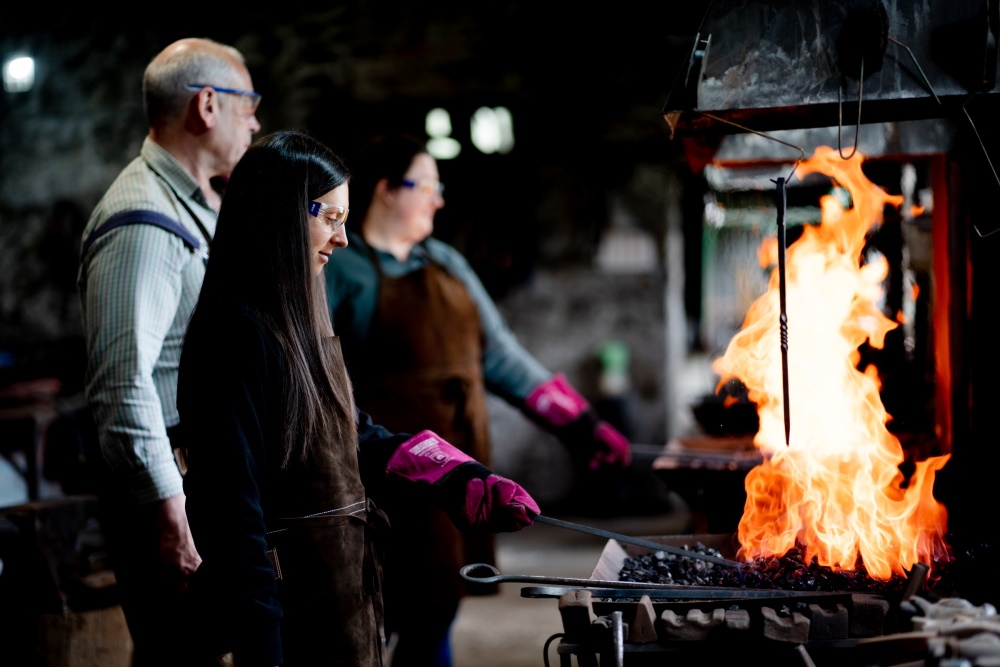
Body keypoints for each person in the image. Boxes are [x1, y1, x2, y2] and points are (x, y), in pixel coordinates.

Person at [176, 129, 540, 666]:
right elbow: (232, 518)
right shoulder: (232, 333)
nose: (341, 240)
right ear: (282, 213)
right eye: (332, 219)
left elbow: (347, 431)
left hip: (338, 594)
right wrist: (263, 648)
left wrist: (451, 474)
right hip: (284, 615)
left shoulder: (297, 315)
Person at [324, 133, 633, 667]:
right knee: (377, 616)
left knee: (438, 609)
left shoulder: (444, 262)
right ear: (386, 191)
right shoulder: (341, 271)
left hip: (455, 470)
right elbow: (321, 385)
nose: (438, 199)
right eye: (428, 185)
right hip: (385, 479)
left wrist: (578, 422)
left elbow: (502, 356)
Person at [76, 37, 261, 665]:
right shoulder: (142, 222)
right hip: (173, 490)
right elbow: (122, 387)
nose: (256, 120)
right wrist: (169, 515)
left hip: (200, 479)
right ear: (207, 105)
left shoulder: (193, 204)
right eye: (249, 103)